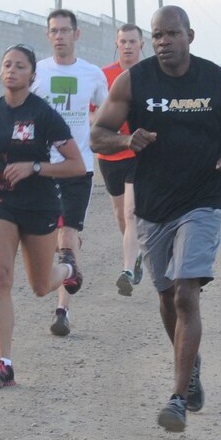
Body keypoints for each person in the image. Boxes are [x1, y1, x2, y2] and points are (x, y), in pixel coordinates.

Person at [91, 5, 221, 433]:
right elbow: (98, 134)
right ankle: (192, 364)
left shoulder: (219, 80)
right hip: (153, 203)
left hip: (204, 198)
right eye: (158, 35)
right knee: (166, 297)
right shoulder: (135, 80)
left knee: (186, 293)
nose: (164, 41)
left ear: (190, 35)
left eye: (171, 34)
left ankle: (178, 397)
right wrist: (127, 137)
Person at [0, 44, 86, 389]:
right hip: (0, 202)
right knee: (1, 276)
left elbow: (76, 165)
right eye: (7, 64)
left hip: (39, 204)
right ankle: (4, 363)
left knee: (39, 286)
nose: (12, 70)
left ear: (32, 75)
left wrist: (35, 166)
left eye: (20, 66)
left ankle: (67, 267)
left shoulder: (44, 114)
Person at [31, 9, 109, 336]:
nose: (60, 36)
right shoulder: (35, 72)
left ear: (77, 35)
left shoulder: (92, 74)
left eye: (65, 30)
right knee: (51, 238)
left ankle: (61, 310)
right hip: (42, 167)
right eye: (54, 31)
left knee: (64, 236)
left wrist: (96, 126)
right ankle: (71, 253)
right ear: (48, 36)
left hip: (78, 166)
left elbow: (107, 113)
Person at [98, 23, 146, 296]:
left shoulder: (151, 75)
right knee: (120, 214)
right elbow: (91, 114)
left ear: (142, 45)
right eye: (123, 41)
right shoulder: (103, 75)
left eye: (132, 41)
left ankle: (127, 270)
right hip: (109, 153)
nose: (127, 46)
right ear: (116, 45)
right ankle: (136, 253)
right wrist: (108, 124)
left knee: (131, 212)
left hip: (139, 154)